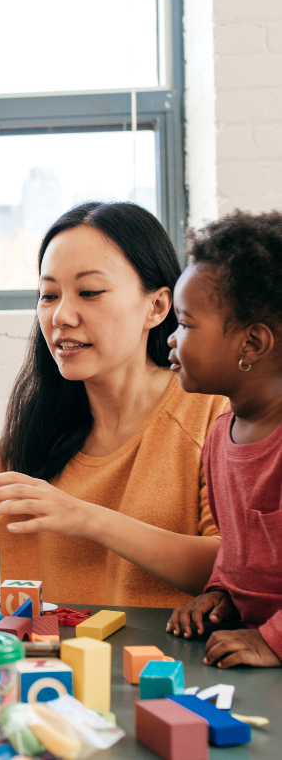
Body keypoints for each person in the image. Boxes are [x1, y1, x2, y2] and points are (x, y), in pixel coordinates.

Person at [0, 202, 229, 607]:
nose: (61, 315)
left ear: (157, 307)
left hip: (171, 668)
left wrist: (89, 519)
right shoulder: (39, 433)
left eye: (89, 292)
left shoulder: (212, 414)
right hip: (51, 669)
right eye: (48, 295)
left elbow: (233, 568)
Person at [165, 211, 282, 669]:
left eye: (186, 324)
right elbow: (243, 554)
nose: (172, 340)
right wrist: (222, 594)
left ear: (251, 344)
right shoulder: (220, 435)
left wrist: (271, 640)